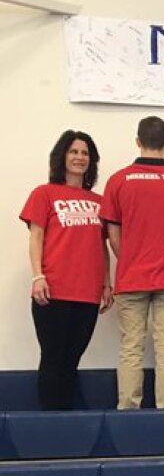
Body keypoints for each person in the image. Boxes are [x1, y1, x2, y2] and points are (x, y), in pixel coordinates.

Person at [101, 116, 164, 409]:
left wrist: (129, 257)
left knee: (131, 347)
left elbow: (112, 232)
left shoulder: (119, 180)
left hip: (132, 275)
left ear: (138, 141)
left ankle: (128, 410)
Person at [20, 130, 113, 410]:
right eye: (74, 152)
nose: (79, 158)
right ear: (62, 156)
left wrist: (107, 284)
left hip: (87, 293)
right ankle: (49, 422)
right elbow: (36, 237)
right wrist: (38, 277)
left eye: (85, 153)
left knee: (72, 360)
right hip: (53, 290)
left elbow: (101, 245)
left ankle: (66, 421)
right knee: (53, 358)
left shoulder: (99, 202)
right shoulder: (44, 194)